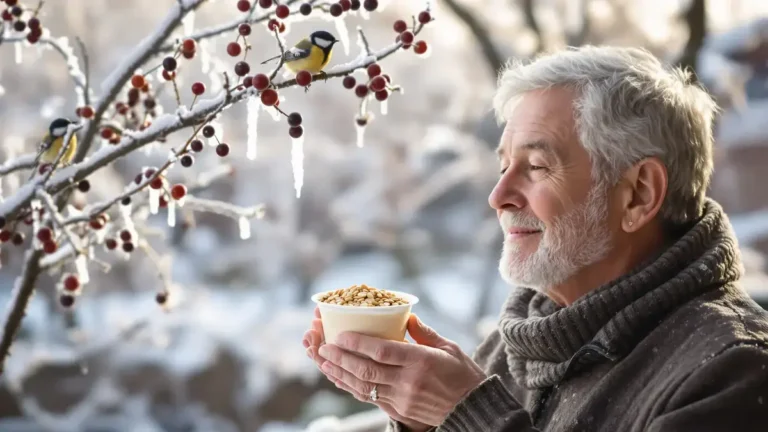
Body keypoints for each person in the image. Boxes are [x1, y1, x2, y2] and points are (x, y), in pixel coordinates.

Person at [302, 45, 768, 431]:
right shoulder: (513, 348)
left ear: (637, 195)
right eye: (503, 166)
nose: (498, 196)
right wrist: (421, 422)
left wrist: (469, 414)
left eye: (537, 166)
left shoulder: (731, 371)